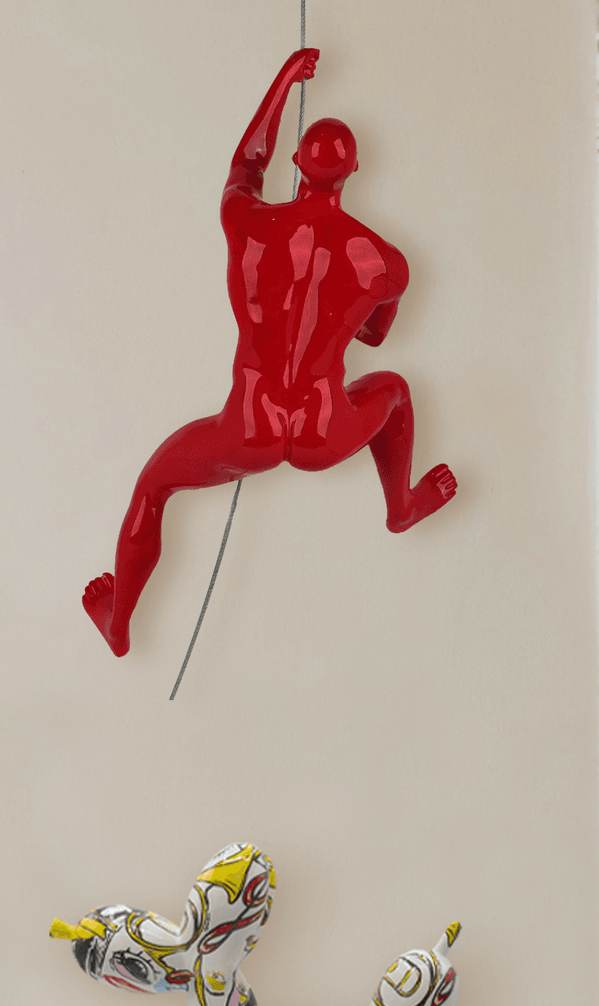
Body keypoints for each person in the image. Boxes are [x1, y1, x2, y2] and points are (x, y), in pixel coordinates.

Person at [83, 48, 457, 657]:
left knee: (153, 487)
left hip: (249, 427)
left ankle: (118, 622)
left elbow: (245, 164)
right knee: (394, 391)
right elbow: (375, 338)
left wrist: (284, 80)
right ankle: (402, 506)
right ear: (354, 171)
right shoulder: (386, 263)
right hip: (322, 430)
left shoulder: (248, 223)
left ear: (298, 165)